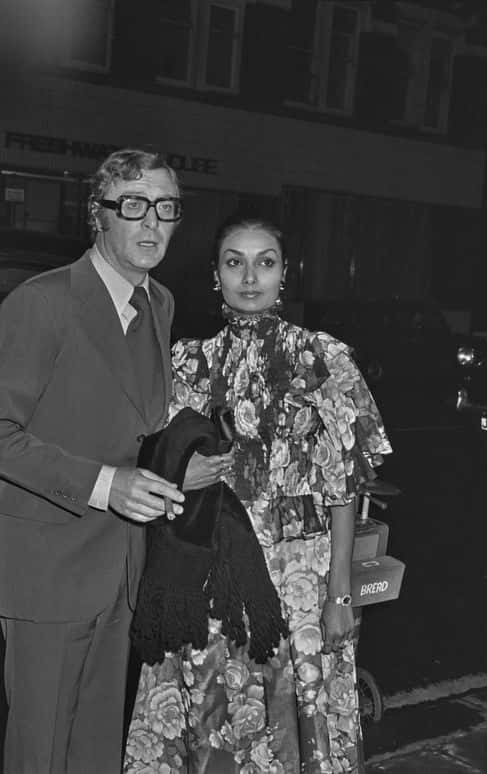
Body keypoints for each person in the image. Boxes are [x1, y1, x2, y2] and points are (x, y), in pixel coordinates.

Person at [125, 214, 392, 773]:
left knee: (296, 725)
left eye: (264, 262)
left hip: (301, 579)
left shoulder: (324, 359)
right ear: (215, 275)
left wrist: (339, 595)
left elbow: (344, 485)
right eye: (234, 262)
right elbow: (146, 461)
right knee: (215, 715)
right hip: (211, 575)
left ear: (284, 273)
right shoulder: (186, 363)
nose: (250, 277)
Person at [0, 147, 231, 774]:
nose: (152, 222)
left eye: (165, 207)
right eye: (133, 205)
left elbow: (133, 428)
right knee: (38, 755)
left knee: (97, 754)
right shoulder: (42, 303)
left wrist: (179, 464)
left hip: (124, 569)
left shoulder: (161, 305)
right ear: (97, 216)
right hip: (48, 572)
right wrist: (106, 485)